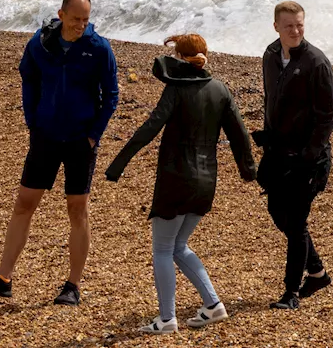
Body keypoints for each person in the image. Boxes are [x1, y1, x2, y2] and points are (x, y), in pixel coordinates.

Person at [0, 0, 119, 306]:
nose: (81, 25)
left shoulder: (99, 49)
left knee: (77, 210)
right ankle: (3, 279)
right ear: (61, 15)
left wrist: (94, 135)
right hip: (46, 136)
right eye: (76, 19)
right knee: (24, 203)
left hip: (80, 141)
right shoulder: (40, 43)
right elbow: (28, 77)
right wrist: (32, 119)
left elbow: (112, 95)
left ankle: (72, 286)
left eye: (86, 20)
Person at [104, 33, 256, 335]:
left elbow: (150, 127)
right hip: (206, 181)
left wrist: (117, 164)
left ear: (180, 58)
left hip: (177, 178)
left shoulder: (176, 89)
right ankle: (213, 305)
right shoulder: (221, 90)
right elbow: (240, 135)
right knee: (178, 246)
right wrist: (248, 170)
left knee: (162, 249)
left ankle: (166, 319)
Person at [256, 0, 333, 310]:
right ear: (276, 26)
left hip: (309, 159)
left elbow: (329, 114)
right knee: (280, 215)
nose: (295, 30)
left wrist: (310, 153)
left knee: (297, 222)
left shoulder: (316, 62)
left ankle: (291, 293)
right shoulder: (270, 55)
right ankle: (316, 273)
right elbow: (270, 100)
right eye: (289, 25)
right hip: (278, 153)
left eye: (300, 24)